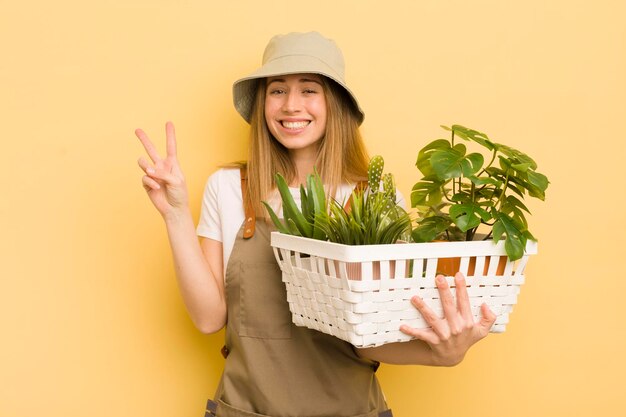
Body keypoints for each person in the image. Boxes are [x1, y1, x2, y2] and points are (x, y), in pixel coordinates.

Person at [135, 31, 496, 417]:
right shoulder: (228, 189)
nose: (291, 105)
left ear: (334, 104)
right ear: (263, 103)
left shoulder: (373, 200)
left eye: (309, 90)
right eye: (277, 90)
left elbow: (368, 341)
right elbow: (209, 318)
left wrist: (443, 354)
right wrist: (174, 213)